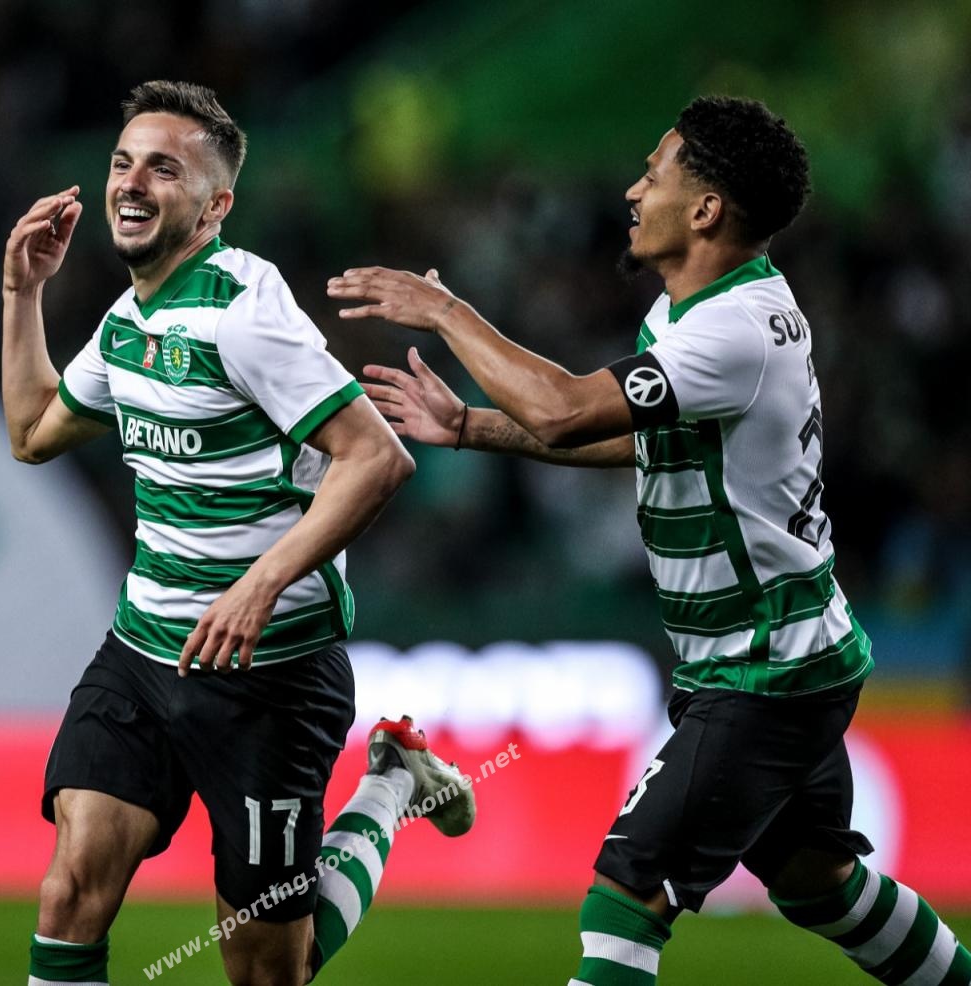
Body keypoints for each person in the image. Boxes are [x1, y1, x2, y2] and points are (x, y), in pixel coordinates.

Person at [329, 95, 971, 985]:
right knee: (818, 886)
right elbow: (638, 439)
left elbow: (562, 410)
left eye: (654, 174)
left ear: (705, 209)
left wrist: (444, 310)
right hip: (783, 656)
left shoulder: (732, 329)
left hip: (764, 673)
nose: (634, 192)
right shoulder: (698, 313)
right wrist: (471, 426)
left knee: (624, 897)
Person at [1, 80, 475, 986]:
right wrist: (22, 292)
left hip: (270, 675)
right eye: (123, 163)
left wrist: (258, 585)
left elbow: (376, 459)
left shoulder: (245, 314)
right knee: (69, 894)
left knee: (266, 972)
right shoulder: (128, 322)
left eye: (163, 169)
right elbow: (31, 433)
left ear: (215, 205)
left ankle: (390, 786)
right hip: (144, 655)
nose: (132, 183)